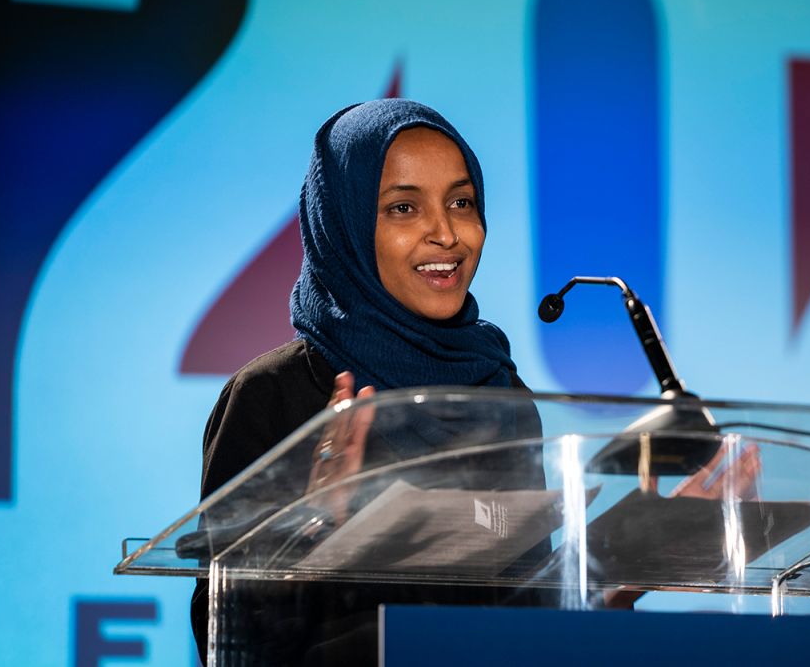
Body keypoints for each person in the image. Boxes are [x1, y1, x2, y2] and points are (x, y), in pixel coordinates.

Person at [190, 100, 544, 664]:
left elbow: (529, 614)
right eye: (403, 207)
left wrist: (619, 587)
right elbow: (226, 639)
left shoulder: (499, 393)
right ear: (344, 222)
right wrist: (312, 519)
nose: (446, 233)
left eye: (462, 202)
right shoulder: (273, 396)